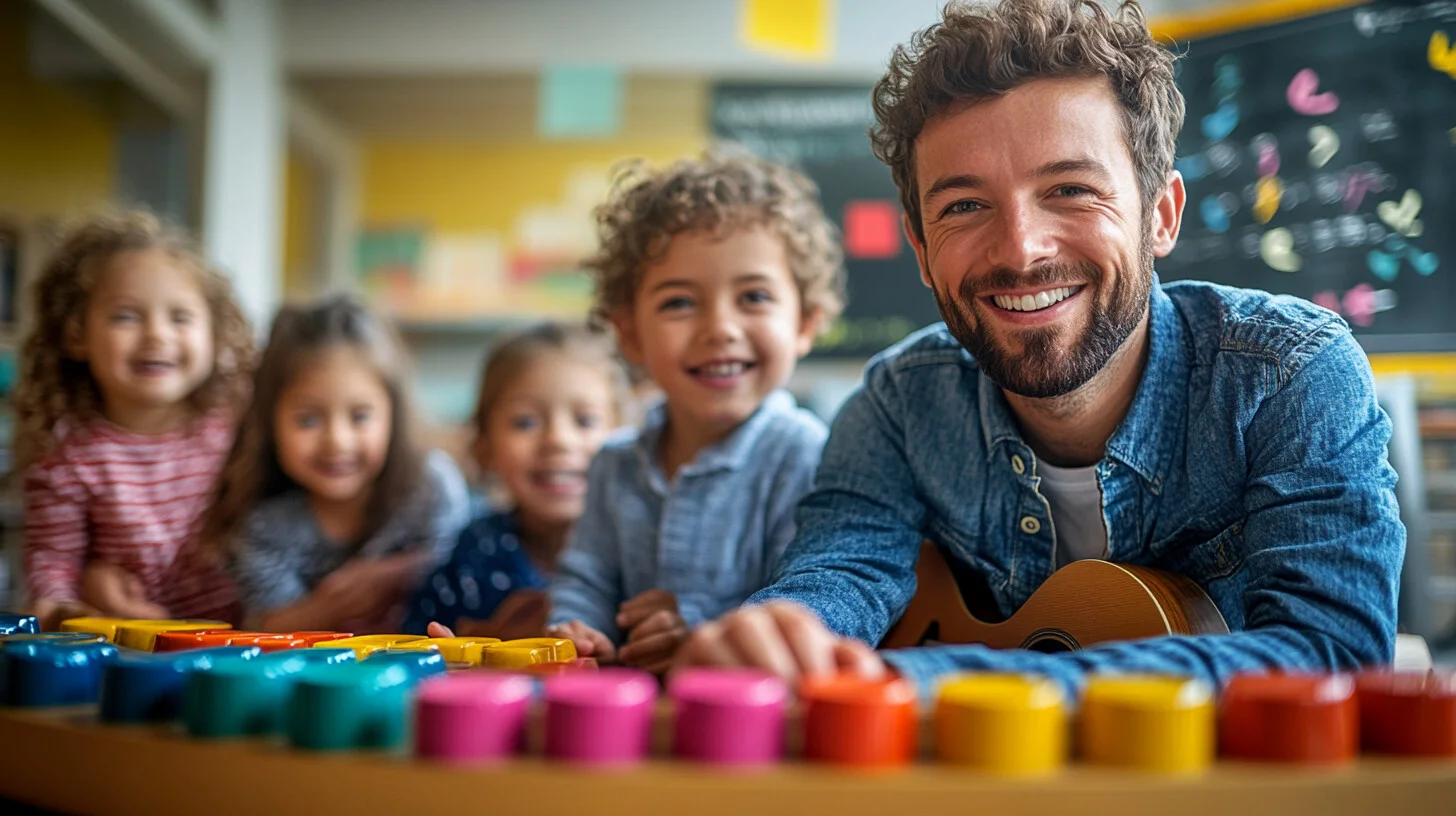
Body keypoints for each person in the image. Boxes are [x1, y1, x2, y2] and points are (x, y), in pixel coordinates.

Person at [680, 0, 1404, 693]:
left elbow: (1330, 655)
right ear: (922, 248)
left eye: (1070, 190)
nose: (1021, 252)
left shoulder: (1288, 373)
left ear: (1161, 214)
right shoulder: (900, 403)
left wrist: (945, 683)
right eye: (964, 206)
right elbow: (838, 575)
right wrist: (780, 643)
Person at [545, 149, 847, 673]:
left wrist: (698, 626)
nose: (720, 328)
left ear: (805, 323)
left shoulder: (806, 457)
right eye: (679, 303)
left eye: (753, 296)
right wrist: (578, 631)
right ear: (631, 335)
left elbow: (800, 605)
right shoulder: (613, 464)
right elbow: (586, 579)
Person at [18, 211, 256, 631]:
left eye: (180, 317)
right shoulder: (68, 459)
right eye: (126, 316)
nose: (157, 335)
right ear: (76, 334)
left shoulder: (240, 427)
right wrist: (73, 608)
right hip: (130, 654)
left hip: (247, 648)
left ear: (215, 333)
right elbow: (53, 572)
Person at [202, 294, 470, 633]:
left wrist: (392, 575)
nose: (337, 441)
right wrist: (331, 605)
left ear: (394, 415)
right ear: (270, 421)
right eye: (308, 420)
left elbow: (465, 565)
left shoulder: (430, 485)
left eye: (359, 416)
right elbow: (266, 627)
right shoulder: (262, 528)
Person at [404, 323, 627, 638]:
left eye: (585, 421)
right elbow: (418, 648)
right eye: (526, 422)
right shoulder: (475, 554)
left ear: (627, 440)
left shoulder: (642, 550)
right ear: (485, 446)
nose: (558, 440)